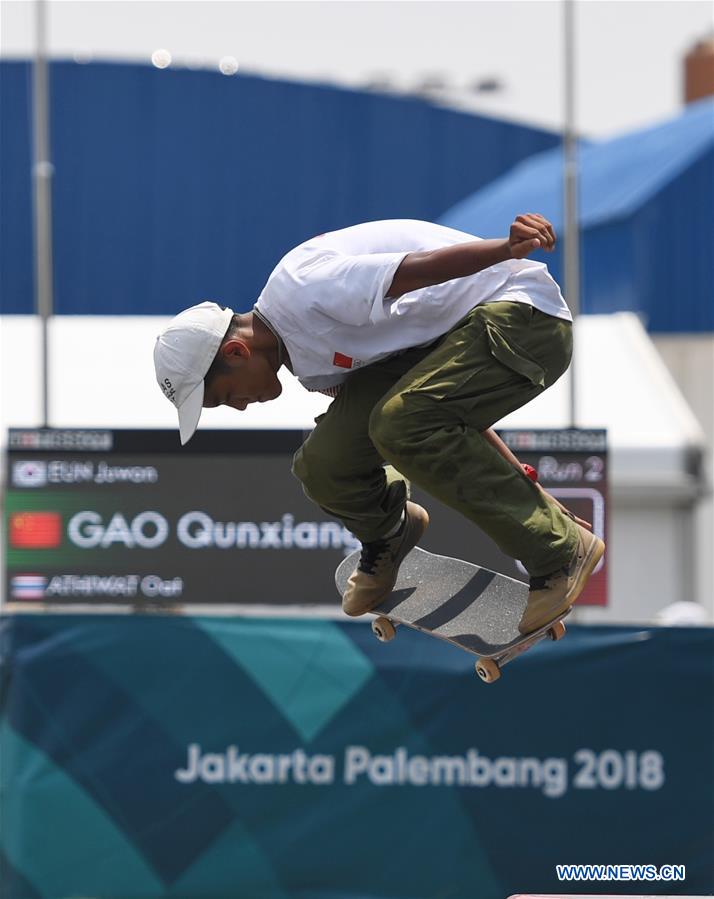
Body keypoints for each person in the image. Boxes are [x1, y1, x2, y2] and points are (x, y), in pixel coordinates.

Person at [154, 215, 605, 634]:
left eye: (224, 397)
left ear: (236, 353)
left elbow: (418, 270)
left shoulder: (303, 291)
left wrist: (506, 248)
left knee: (400, 424)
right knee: (326, 460)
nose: (239, 408)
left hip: (522, 316)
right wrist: (532, 488)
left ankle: (559, 553)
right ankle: (389, 533)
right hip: (455, 340)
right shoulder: (312, 368)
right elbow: (445, 414)